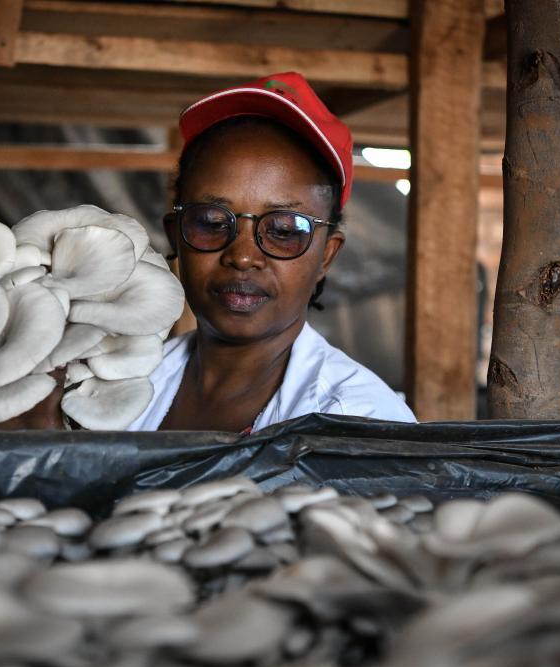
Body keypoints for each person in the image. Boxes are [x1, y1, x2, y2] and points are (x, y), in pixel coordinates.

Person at [127, 72, 416, 433]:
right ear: (176, 235)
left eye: (284, 231)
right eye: (213, 221)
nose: (244, 256)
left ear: (326, 255)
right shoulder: (123, 384)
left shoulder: (359, 423)